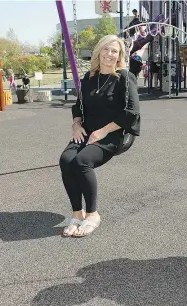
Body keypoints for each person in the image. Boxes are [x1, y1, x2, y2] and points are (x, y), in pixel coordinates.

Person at [60, 34, 140, 237]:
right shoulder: (89, 78)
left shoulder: (124, 77)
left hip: (114, 133)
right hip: (87, 131)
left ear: (120, 55)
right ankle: (77, 214)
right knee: (66, 160)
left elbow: (131, 112)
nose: (109, 54)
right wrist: (76, 125)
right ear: (99, 52)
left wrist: (103, 131)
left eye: (115, 51)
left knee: (82, 161)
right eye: (106, 49)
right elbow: (78, 107)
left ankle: (93, 214)